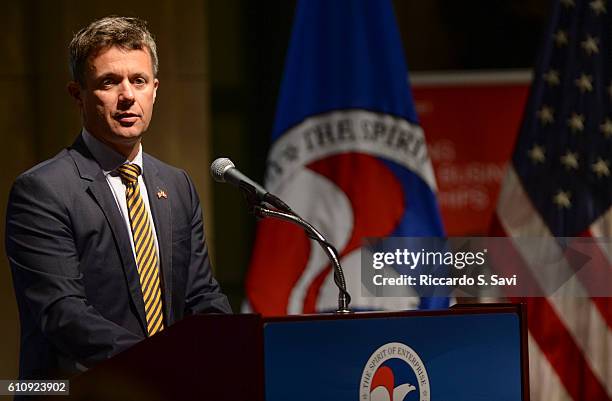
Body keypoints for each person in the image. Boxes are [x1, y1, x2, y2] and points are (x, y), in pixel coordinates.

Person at [5, 16, 231, 380]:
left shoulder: (177, 185)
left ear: (154, 90)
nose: (127, 96)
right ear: (77, 95)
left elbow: (201, 295)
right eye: (109, 82)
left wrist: (231, 349)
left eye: (138, 81)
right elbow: (62, 312)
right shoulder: (42, 190)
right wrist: (162, 364)